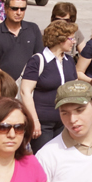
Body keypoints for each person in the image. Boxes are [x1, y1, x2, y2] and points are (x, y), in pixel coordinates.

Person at [18, 19, 79, 151]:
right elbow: (25, 92)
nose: (74, 42)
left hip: (64, 122)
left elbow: (74, 90)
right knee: (43, 160)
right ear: (60, 39)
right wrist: (34, 121)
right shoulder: (38, 60)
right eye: (71, 38)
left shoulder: (69, 61)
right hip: (42, 124)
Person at [0, 0, 42, 78]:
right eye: (14, 9)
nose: (19, 12)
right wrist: (10, 84)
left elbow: (40, 59)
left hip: (30, 83)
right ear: (6, 9)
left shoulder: (33, 29)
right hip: (5, 85)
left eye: (22, 9)